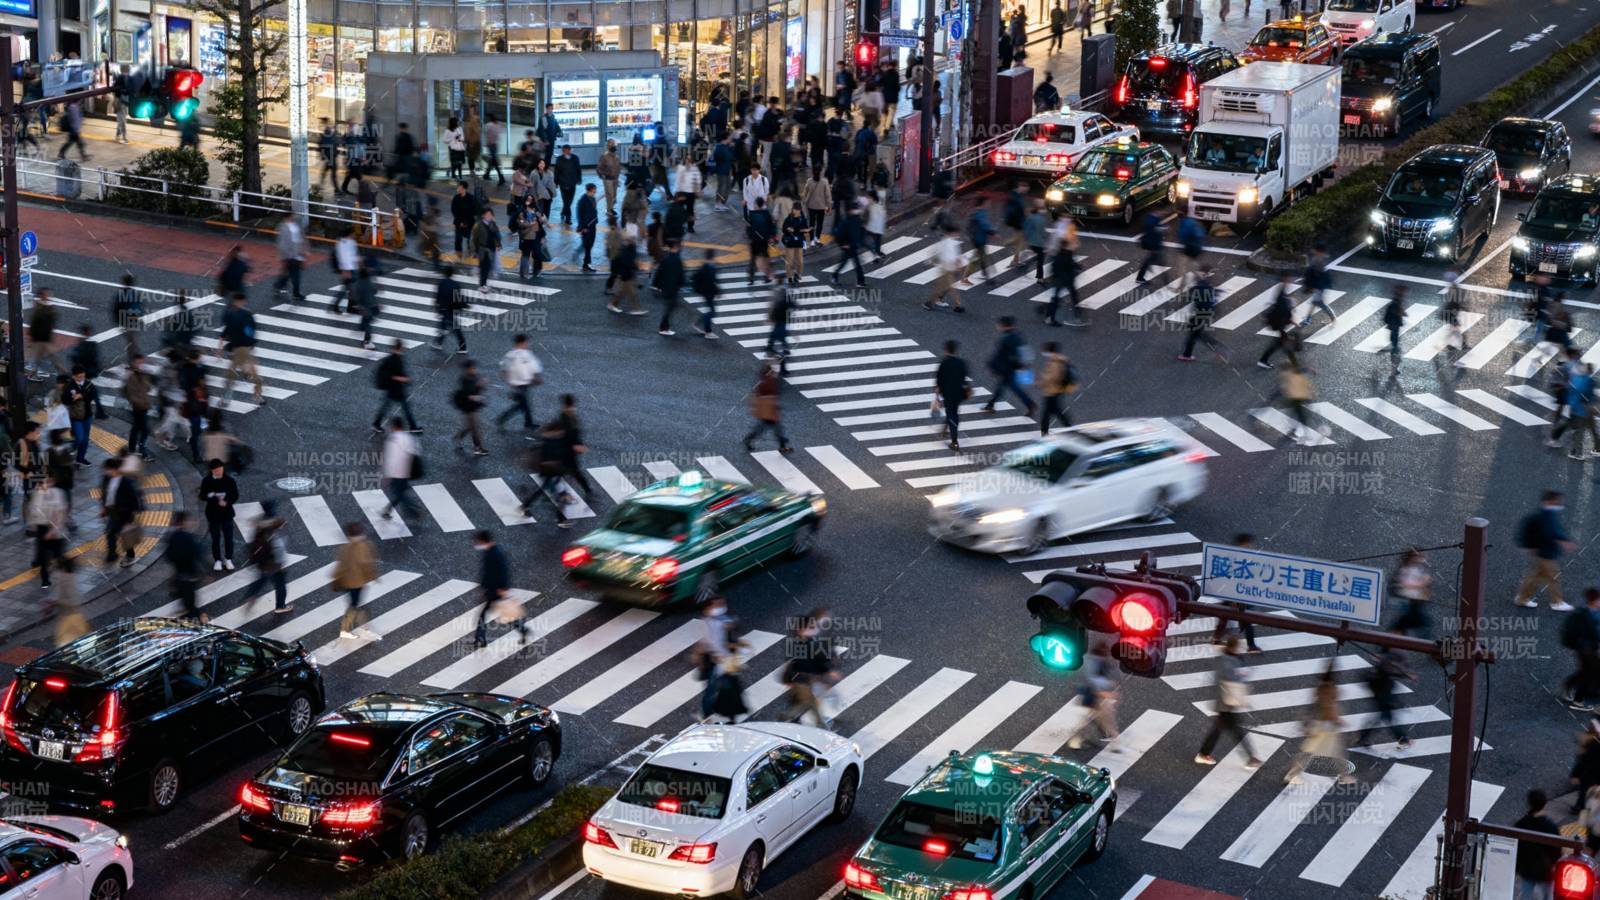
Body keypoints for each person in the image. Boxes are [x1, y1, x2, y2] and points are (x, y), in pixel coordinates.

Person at [1195, 636, 1265, 767]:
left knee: (1222, 729)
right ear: (1233, 647)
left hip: (1226, 702)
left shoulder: (1227, 658)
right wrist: (1243, 676)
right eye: (1238, 647)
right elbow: (1230, 678)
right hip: (1226, 702)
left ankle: (1204, 754)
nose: (1239, 650)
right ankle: (1251, 758)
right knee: (1234, 730)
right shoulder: (1226, 662)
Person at [1284, 668, 1355, 785]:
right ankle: (1292, 774)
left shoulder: (1321, 687)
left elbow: (1320, 706)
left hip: (1320, 724)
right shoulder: (1329, 689)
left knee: (1333, 751)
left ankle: (1344, 776)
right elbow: (1328, 707)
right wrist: (1338, 720)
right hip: (1324, 726)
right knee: (1314, 752)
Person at [1513, 491, 1576, 611]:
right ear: (1549, 501)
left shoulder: (1545, 514)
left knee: (1536, 575)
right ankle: (1557, 602)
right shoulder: (1546, 516)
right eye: (1556, 501)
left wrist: (1529, 546)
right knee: (1553, 577)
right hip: (1546, 552)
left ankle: (1522, 598)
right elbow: (1551, 532)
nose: (1559, 504)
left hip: (1542, 552)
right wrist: (1564, 541)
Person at [474, 530, 531, 647]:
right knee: (507, 615)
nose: (477, 544)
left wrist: (502, 588)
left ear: (483, 541)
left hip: (495, 591)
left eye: (478, 541)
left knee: (484, 616)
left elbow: (501, 571)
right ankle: (522, 629)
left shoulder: (494, 553)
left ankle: (480, 639)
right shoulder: (492, 552)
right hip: (494, 590)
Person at [783, 610, 838, 726]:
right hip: (802, 682)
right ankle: (820, 725)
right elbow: (808, 665)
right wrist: (825, 673)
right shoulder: (800, 646)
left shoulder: (805, 642)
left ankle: (789, 719)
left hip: (800, 681)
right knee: (810, 704)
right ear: (800, 630)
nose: (813, 629)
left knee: (800, 703)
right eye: (809, 627)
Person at [1067, 642, 1121, 749]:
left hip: (1096, 696)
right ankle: (1116, 744)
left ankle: (1076, 740)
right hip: (1095, 697)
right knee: (1105, 720)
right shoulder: (1094, 662)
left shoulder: (1097, 660)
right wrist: (1107, 691)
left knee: (1093, 719)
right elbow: (1092, 681)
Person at [1512, 790, 1562, 900]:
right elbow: (1557, 852)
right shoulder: (1551, 827)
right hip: (1545, 870)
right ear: (1545, 803)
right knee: (1548, 895)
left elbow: (1516, 847)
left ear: (1529, 804)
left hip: (1526, 869)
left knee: (1526, 893)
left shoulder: (1521, 824)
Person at [334, 522, 379, 641]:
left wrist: (336, 579)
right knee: (355, 606)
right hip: (356, 583)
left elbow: (341, 566)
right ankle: (348, 629)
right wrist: (372, 576)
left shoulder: (345, 547)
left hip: (347, 581)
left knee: (355, 604)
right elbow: (366, 565)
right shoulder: (363, 547)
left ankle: (361, 626)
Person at [984, 317, 1037, 417]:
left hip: (1007, 368)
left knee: (1012, 387)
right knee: (1003, 386)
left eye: (999, 325)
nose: (998, 327)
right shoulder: (1018, 335)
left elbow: (998, 355)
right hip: (1015, 366)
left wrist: (991, 366)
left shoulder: (1005, 339)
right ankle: (990, 405)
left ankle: (1030, 404)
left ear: (1003, 326)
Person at [27, 474, 68, 591]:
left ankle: (64, 577)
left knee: (58, 554)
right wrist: (32, 528)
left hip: (55, 528)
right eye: (44, 482)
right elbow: (33, 511)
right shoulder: (37, 493)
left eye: (49, 481)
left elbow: (61, 514)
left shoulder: (59, 493)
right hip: (42, 528)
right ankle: (45, 578)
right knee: (43, 554)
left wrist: (54, 530)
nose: (47, 484)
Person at [496, 334, 544, 432]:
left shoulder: (509, 355)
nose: (528, 344)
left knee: (524, 404)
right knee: (522, 405)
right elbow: (534, 368)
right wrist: (537, 378)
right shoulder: (527, 354)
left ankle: (528, 423)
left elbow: (503, 369)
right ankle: (502, 419)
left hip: (515, 384)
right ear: (523, 343)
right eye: (527, 342)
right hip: (523, 384)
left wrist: (508, 380)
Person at [100, 457, 142, 569]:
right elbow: (106, 494)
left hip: (123, 514)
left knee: (124, 535)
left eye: (108, 469)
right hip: (113, 512)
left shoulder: (125, 483)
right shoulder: (108, 479)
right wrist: (105, 508)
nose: (106, 472)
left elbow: (134, 501)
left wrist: (129, 520)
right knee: (111, 533)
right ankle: (112, 554)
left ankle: (129, 556)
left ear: (115, 469)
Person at [1563, 589, 1600, 712]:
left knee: (1586, 672)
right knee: (1589, 674)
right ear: (1594, 601)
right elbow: (1595, 633)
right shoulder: (1588, 615)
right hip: (1586, 650)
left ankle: (1569, 685)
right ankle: (1578, 701)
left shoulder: (1583, 612)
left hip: (1584, 649)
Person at [199, 458, 238, 570]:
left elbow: (235, 495)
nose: (219, 472)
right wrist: (212, 497)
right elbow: (202, 495)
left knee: (228, 538)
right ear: (212, 470)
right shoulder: (207, 481)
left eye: (221, 469)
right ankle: (217, 560)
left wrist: (227, 502)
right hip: (213, 514)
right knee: (215, 538)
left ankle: (228, 558)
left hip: (227, 513)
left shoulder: (229, 480)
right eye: (216, 470)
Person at [745, 360, 792, 452]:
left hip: (766, 408)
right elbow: (773, 393)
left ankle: (749, 439)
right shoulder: (769, 381)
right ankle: (782, 444)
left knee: (766, 427)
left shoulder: (765, 380)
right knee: (772, 427)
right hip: (769, 409)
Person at [380, 417, 422, 520]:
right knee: (399, 492)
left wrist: (386, 475)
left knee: (398, 493)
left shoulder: (393, 439)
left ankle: (413, 509)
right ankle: (387, 510)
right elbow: (417, 452)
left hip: (397, 473)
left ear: (394, 427)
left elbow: (392, 458)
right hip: (407, 471)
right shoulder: (409, 437)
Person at [167, 510, 205, 622]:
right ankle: (196, 621)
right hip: (189, 575)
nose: (190, 522)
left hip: (180, 574)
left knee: (184, 598)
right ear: (182, 522)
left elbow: (169, 556)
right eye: (188, 520)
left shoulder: (172, 537)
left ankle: (187, 612)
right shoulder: (187, 538)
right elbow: (198, 554)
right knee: (190, 604)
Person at [933, 341, 971, 451]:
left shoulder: (943, 364)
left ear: (945, 350)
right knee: (952, 411)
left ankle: (954, 442)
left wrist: (937, 397)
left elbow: (939, 382)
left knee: (952, 414)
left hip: (948, 394)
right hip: (959, 393)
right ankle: (945, 429)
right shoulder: (962, 363)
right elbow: (964, 378)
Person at [1256, 275, 1297, 370]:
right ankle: (1263, 360)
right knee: (1283, 343)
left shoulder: (1281, 291)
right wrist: (1291, 305)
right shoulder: (1282, 296)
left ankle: (1263, 360)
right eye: (1289, 280)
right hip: (1280, 324)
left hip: (1280, 324)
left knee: (1281, 343)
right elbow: (1284, 310)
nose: (1291, 281)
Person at [452, 359, 489, 456]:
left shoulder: (474, 377)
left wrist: (480, 385)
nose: (475, 370)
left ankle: (458, 437)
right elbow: (468, 394)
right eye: (473, 368)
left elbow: (476, 390)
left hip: (473, 406)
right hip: (468, 407)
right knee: (475, 428)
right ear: (467, 369)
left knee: (470, 427)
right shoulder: (464, 379)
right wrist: (478, 395)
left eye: (474, 368)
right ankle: (477, 448)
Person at [1036, 342, 1074, 434]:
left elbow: (1053, 376)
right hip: (1056, 390)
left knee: (1049, 412)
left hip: (1052, 391)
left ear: (1050, 351)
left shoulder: (1055, 362)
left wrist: (1040, 383)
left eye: (1045, 351)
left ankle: (1045, 431)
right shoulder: (1059, 359)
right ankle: (1069, 428)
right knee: (1054, 411)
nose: (1044, 353)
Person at [926, 225, 966, 312]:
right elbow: (952, 256)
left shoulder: (946, 241)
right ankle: (958, 305)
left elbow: (938, 254)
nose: (958, 234)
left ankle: (930, 303)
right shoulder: (949, 243)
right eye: (956, 232)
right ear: (952, 233)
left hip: (946, 267)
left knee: (942, 287)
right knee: (949, 287)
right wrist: (957, 266)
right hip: (947, 268)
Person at [433, 265, 469, 354]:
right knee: (445, 326)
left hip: (444, 309)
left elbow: (438, 297)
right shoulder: (456, 285)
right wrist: (465, 305)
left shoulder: (441, 283)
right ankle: (439, 342)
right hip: (453, 309)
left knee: (453, 328)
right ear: (452, 274)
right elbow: (459, 298)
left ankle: (462, 347)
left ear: (445, 273)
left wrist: (437, 309)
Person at [1301, 243, 1338, 328]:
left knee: (1319, 303)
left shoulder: (1318, 260)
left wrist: (1315, 287)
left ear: (1319, 252)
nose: (1314, 252)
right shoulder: (1317, 259)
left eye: (1316, 251)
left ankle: (1333, 318)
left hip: (1319, 287)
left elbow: (1318, 274)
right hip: (1319, 286)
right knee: (1315, 302)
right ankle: (1308, 319)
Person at [654, 240, 686, 336]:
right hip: (673, 288)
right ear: (676, 247)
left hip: (666, 287)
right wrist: (682, 284)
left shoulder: (666, 259)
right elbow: (681, 275)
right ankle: (664, 328)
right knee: (669, 308)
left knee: (669, 306)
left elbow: (659, 272)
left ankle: (664, 327)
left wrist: (657, 285)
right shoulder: (677, 260)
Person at [273, 213, 307, 301]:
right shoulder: (282, 227)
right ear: (287, 217)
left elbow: (301, 238)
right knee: (295, 274)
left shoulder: (296, 225)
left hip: (297, 253)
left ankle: (278, 285)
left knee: (289, 273)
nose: (294, 217)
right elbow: (282, 244)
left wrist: (303, 250)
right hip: (289, 255)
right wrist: (284, 257)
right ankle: (296, 293)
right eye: (292, 216)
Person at [692, 250, 721, 339]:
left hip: (707, 292)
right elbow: (710, 282)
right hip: (707, 293)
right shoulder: (707, 268)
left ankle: (697, 324)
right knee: (711, 312)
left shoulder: (707, 266)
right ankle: (708, 332)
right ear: (712, 257)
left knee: (710, 311)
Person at [781, 203, 810, 284]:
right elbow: (783, 229)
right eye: (794, 209)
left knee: (800, 261)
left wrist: (799, 230)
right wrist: (787, 229)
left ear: (800, 210)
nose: (795, 211)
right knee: (789, 262)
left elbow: (805, 228)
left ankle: (798, 274)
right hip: (790, 242)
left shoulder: (803, 219)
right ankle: (789, 277)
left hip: (799, 242)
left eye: (797, 210)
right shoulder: (788, 219)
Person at [554, 145, 582, 224]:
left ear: (570, 150)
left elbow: (578, 169)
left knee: (570, 200)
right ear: (563, 151)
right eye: (565, 150)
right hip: (563, 183)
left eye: (568, 150)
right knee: (566, 201)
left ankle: (563, 212)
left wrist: (579, 179)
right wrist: (555, 182)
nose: (567, 152)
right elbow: (556, 172)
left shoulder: (575, 158)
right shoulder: (559, 159)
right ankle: (568, 218)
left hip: (572, 183)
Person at [1383, 285, 1408, 375]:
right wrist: (1402, 313)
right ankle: (1394, 368)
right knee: (1395, 347)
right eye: (1403, 291)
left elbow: (1398, 310)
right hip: (1394, 327)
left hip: (1394, 326)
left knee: (1395, 346)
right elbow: (1397, 311)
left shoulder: (1397, 301)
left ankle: (1394, 367)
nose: (1405, 293)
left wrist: (1402, 313)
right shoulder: (1396, 302)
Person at [1135, 212, 1165, 284]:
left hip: (1150, 243)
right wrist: (1164, 229)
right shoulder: (1155, 220)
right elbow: (1156, 231)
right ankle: (1141, 276)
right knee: (1152, 260)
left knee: (1150, 259)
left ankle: (1143, 273)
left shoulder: (1149, 217)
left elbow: (1147, 230)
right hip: (1153, 244)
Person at [597, 140, 622, 221]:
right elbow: (599, 168)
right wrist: (603, 175)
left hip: (615, 179)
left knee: (614, 195)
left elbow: (618, 168)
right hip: (608, 179)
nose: (612, 146)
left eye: (613, 144)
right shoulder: (604, 157)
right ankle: (609, 210)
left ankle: (611, 208)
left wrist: (618, 179)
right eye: (610, 145)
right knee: (610, 195)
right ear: (608, 146)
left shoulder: (616, 156)